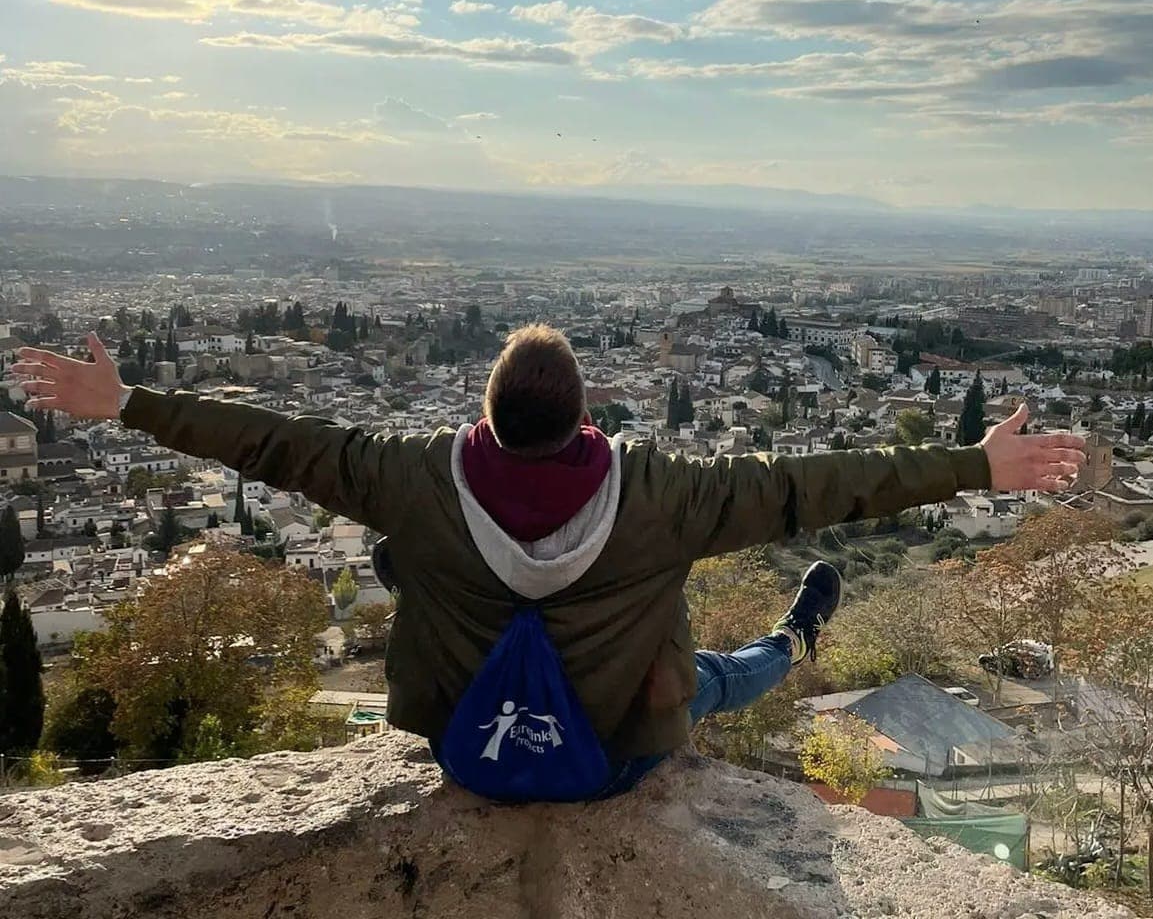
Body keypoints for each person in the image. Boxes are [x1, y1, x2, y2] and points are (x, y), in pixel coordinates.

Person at [14, 327, 1085, 799]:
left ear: (484, 412)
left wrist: (130, 404)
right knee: (713, 673)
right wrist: (976, 464)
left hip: (467, 744)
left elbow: (275, 442)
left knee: (406, 558)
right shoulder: (666, 492)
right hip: (619, 747)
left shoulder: (409, 477)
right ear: (587, 414)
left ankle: (772, 640)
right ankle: (796, 638)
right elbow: (820, 480)